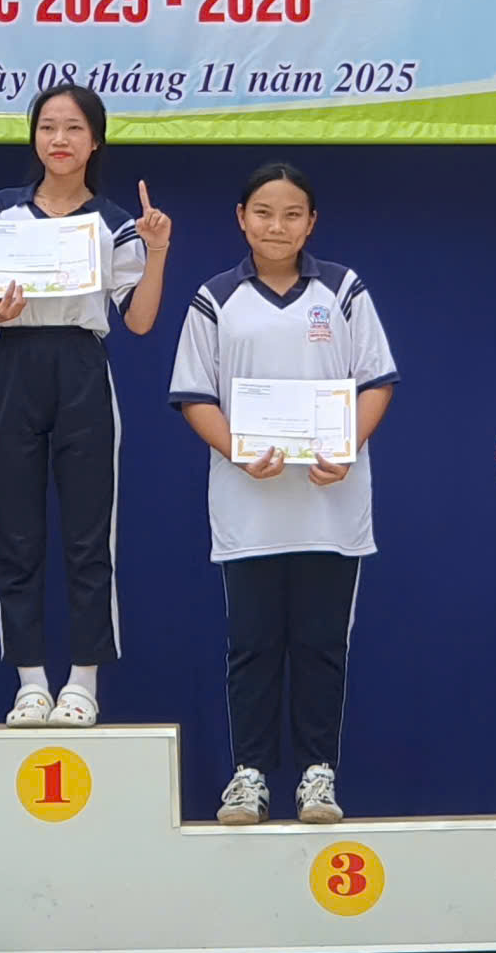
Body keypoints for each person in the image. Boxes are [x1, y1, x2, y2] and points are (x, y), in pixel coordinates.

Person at [167, 162, 397, 826]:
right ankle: (249, 776)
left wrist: (346, 445)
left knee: (323, 645)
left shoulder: (343, 290)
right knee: (253, 646)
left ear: (311, 222)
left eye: (292, 214)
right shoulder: (215, 298)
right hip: (249, 507)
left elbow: (376, 380)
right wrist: (239, 449)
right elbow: (195, 394)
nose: (277, 226)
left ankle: (318, 776)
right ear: (242, 219)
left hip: (331, 507)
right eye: (264, 212)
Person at [0, 84, 171, 727]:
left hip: (82, 366)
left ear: (94, 140)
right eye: (47, 127)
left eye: (73, 128)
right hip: (14, 363)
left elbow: (139, 320)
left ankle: (82, 681)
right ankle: (29, 682)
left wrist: (157, 250)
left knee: (88, 534)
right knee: (15, 532)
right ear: (34, 138)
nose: (60, 139)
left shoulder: (115, 222)